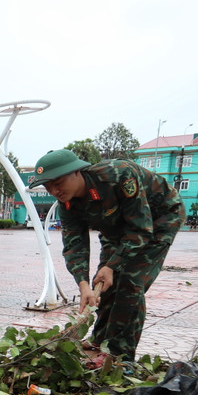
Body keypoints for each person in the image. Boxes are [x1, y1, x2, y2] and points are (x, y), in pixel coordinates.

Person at [28, 149, 185, 367]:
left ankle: (119, 354)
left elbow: (141, 229)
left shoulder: (119, 175)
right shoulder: (67, 203)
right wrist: (83, 285)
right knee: (103, 281)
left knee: (131, 282)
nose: (54, 190)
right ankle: (99, 340)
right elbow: (75, 245)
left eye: (58, 182)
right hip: (118, 229)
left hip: (159, 220)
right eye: (47, 186)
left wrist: (114, 265)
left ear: (76, 172)